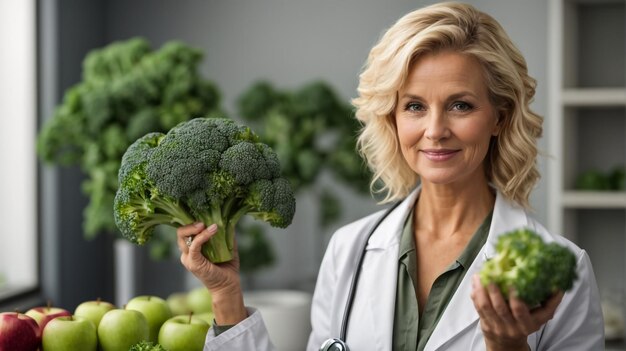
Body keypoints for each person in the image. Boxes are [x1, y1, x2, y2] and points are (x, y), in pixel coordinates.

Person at [177, 2, 604, 350]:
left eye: (461, 105)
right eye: (415, 106)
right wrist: (226, 295)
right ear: (393, 118)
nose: (435, 130)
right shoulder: (349, 249)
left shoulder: (565, 270)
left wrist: (508, 346)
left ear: (498, 117)